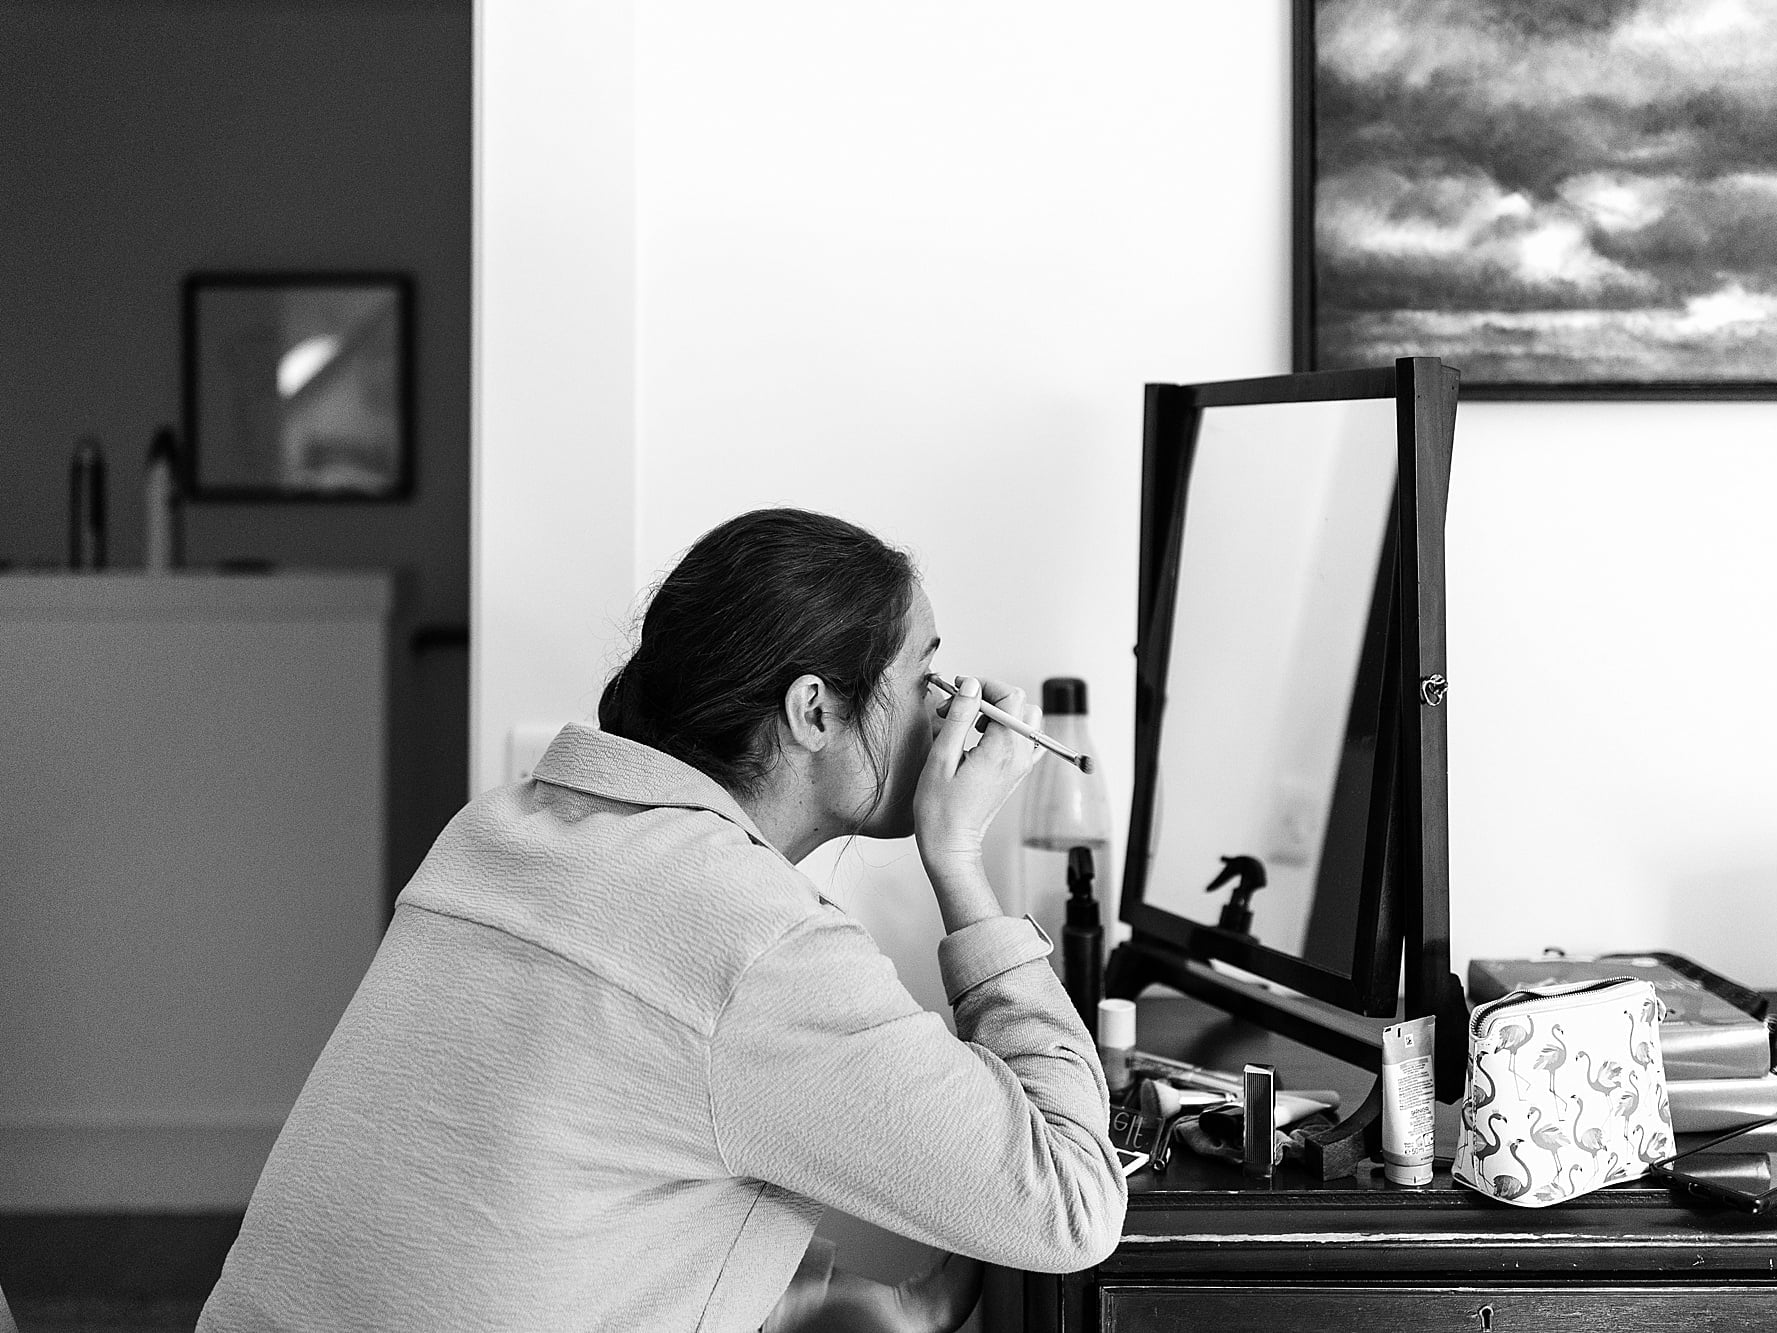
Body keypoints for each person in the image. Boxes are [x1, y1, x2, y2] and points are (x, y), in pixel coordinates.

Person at [197, 508, 1126, 1332]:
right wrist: (958, 863)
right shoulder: (761, 943)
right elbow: (1074, 1201)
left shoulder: (499, 827)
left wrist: (864, 1305)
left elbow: (576, 1195)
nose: (952, 709)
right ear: (815, 711)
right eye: (928, 673)